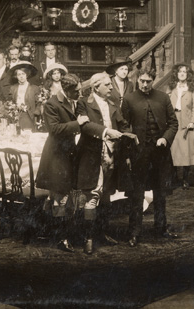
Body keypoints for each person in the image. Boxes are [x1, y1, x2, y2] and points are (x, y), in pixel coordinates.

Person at [123, 68, 179, 246]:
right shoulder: (129, 99)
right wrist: (128, 151)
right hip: (139, 152)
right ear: (138, 80)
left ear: (153, 81)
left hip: (160, 152)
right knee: (137, 193)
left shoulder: (163, 97)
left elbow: (173, 123)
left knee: (160, 192)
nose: (145, 84)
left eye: (148, 81)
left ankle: (161, 228)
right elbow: (124, 126)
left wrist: (165, 138)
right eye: (142, 81)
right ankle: (134, 232)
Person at [76, 72, 129, 254]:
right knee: (92, 195)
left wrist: (128, 133)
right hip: (92, 155)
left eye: (111, 85)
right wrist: (106, 131)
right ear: (96, 87)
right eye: (107, 85)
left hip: (111, 155)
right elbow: (84, 126)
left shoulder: (113, 104)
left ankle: (102, 233)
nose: (111, 87)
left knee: (106, 195)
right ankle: (88, 238)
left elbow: (123, 124)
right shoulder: (84, 103)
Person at [36, 73, 87, 252]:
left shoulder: (76, 101)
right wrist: (77, 123)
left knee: (69, 197)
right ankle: (60, 237)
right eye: (77, 91)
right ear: (66, 90)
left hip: (70, 154)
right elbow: (54, 129)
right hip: (57, 156)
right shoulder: (52, 104)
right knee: (59, 196)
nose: (80, 94)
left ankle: (67, 233)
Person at [168, 64, 194, 189]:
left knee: (186, 151)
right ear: (176, 74)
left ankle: (185, 179)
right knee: (173, 150)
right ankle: (173, 178)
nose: (182, 74)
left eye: (185, 72)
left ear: (188, 75)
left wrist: (193, 122)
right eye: (180, 72)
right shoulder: (171, 87)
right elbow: (166, 104)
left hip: (186, 122)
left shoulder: (192, 88)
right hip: (173, 121)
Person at [8, 61, 41, 131]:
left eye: (23, 74)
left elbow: (39, 104)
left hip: (29, 115)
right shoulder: (13, 88)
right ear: (16, 76)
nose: (21, 76)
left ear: (27, 75)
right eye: (19, 74)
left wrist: (36, 114)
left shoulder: (34, 88)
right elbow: (10, 102)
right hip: (16, 116)